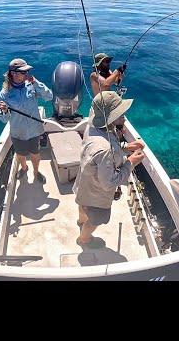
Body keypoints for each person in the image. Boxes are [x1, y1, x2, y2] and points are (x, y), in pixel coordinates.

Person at [72, 91, 145, 248]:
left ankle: (80, 222)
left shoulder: (93, 124)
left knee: (83, 206)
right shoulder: (105, 148)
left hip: (83, 184)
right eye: (121, 114)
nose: (124, 117)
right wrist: (130, 162)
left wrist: (125, 147)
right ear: (110, 118)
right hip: (96, 194)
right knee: (96, 219)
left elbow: (105, 151)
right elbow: (109, 183)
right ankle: (84, 239)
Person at [0, 58, 53, 183]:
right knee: (21, 155)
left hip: (34, 130)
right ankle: (24, 168)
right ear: (13, 73)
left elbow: (49, 97)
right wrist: (4, 111)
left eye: (26, 71)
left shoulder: (31, 85)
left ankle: (36, 171)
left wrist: (36, 82)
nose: (26, 74)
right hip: (18, 132)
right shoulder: (4, 94)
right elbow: (4, 120)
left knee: (35, 154)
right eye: (23, 72)